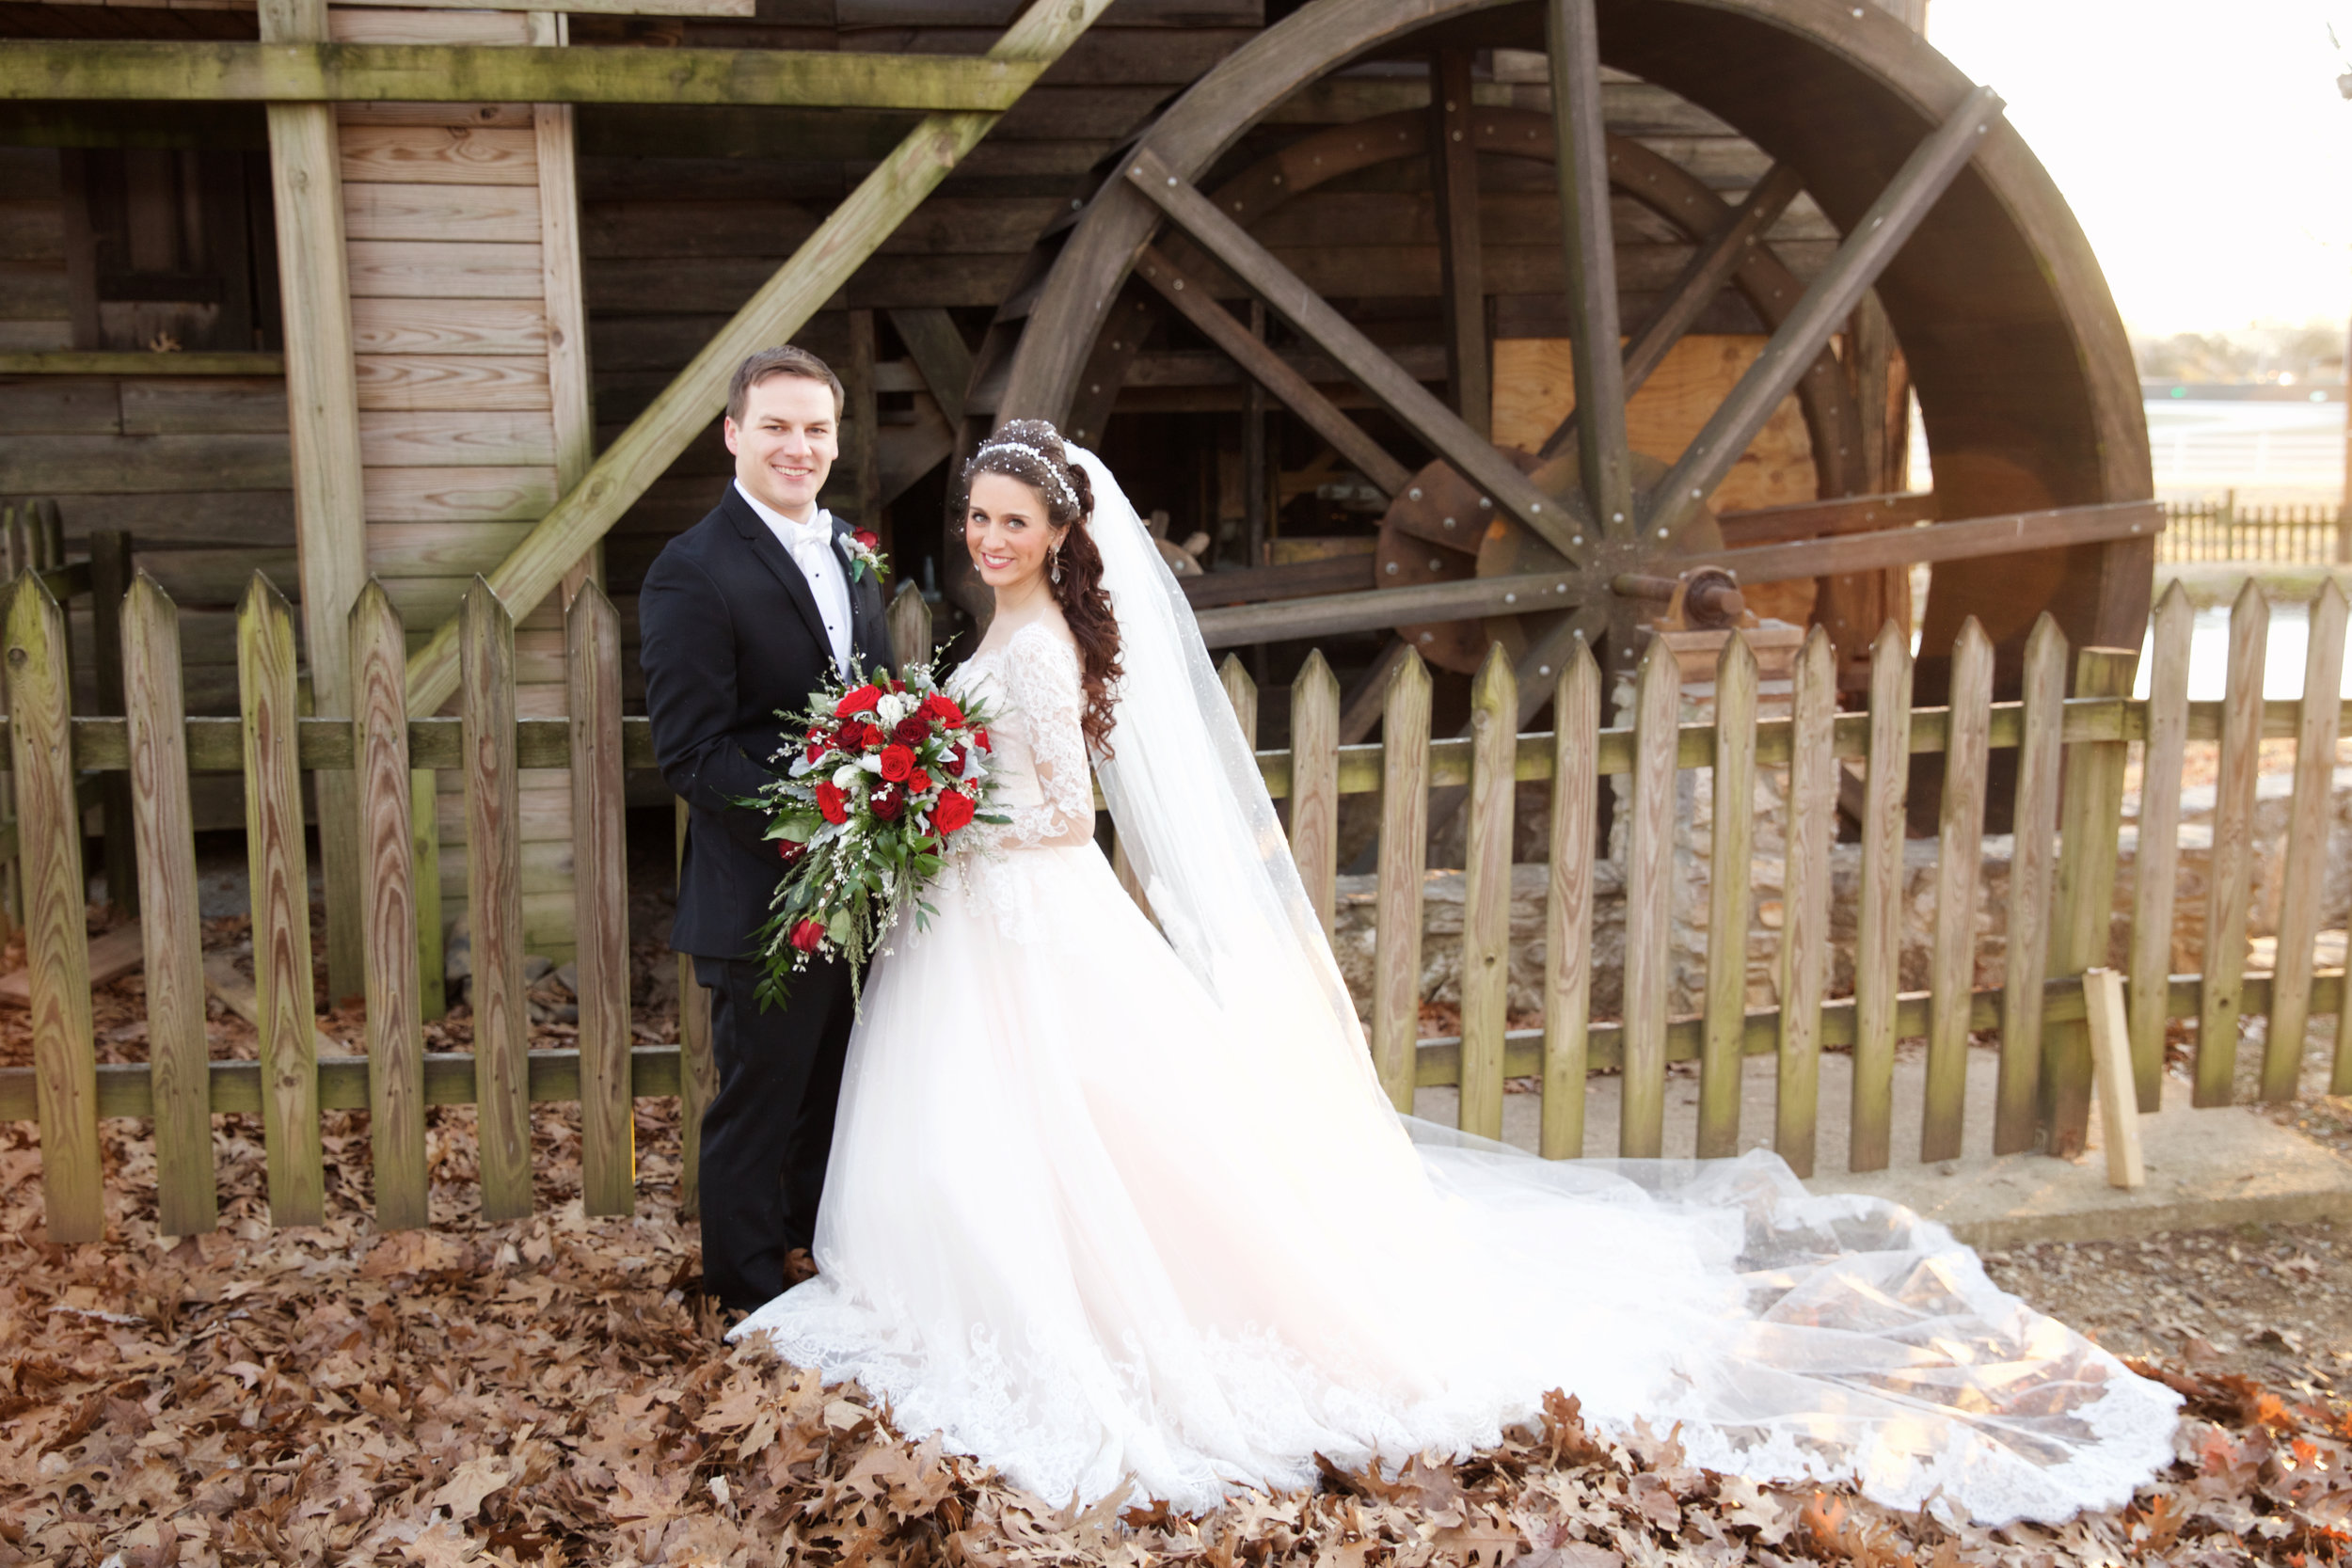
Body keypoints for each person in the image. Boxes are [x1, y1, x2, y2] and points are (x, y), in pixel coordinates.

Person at [730, 420, 2180, 1526]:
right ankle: (976, 1287)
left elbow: (1059, 812)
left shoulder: (1042, 653)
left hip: (1027, 906)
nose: (988, 537)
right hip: (994, 921)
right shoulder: (1012, 631)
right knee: (1040, 1133)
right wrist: (909, 785)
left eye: (1012, 520)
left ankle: (1087, 1314)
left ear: (1060, 531)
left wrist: (923, 802)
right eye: (977, 518)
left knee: (1087, 1134)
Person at [640, 345, 897, 1317]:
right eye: (777, 426)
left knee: (834, 1093)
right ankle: (745, 1298)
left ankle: (812, 1260)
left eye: (817, 428)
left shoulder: (849, 552)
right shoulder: (690, 571)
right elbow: (693, 755)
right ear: (734, 433)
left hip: (859, 889)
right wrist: (823, 820)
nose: (799, 446)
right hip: (761, 893)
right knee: (759, 1100)